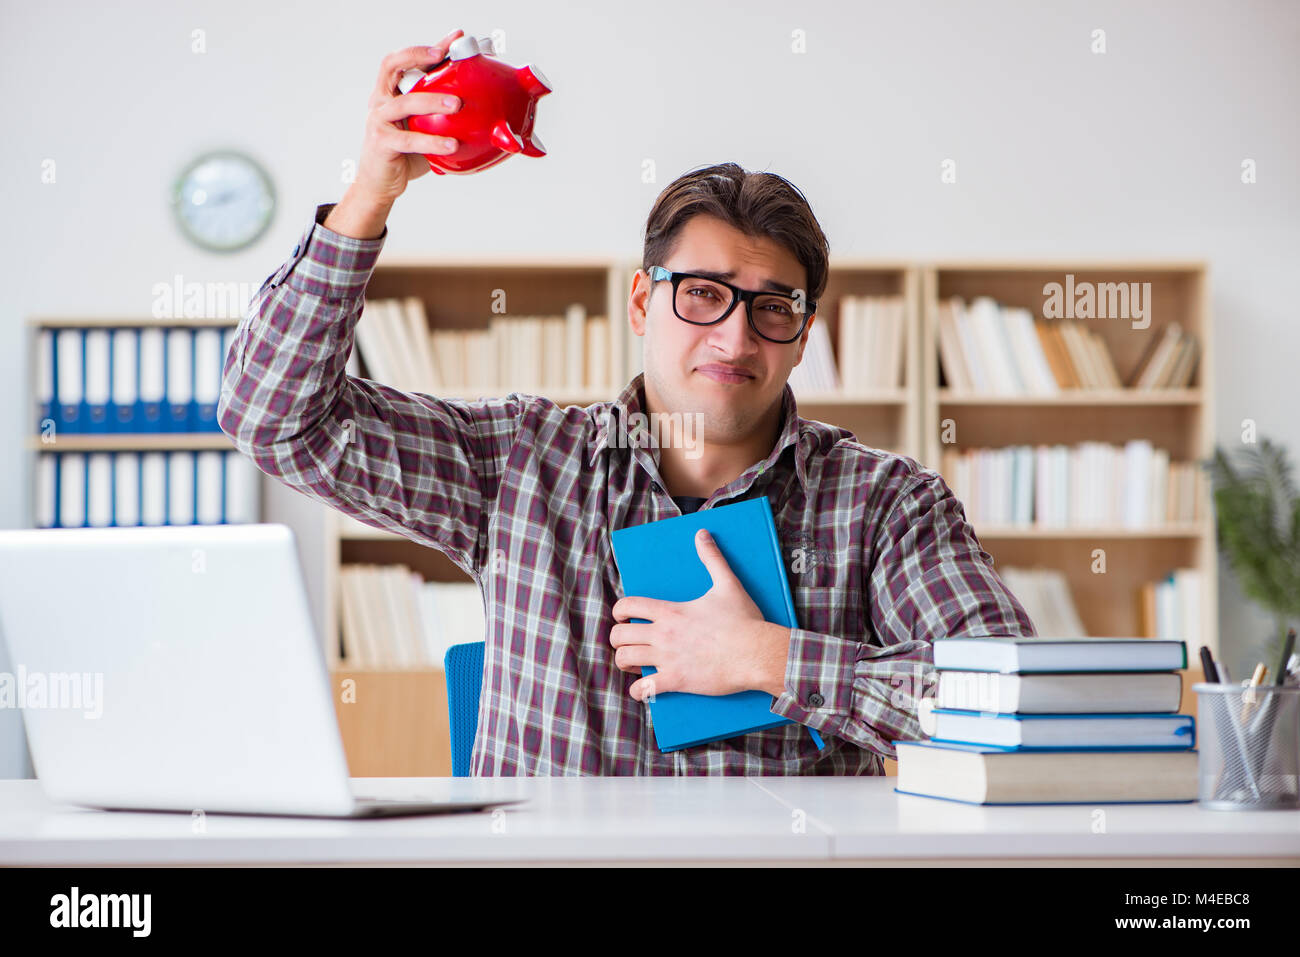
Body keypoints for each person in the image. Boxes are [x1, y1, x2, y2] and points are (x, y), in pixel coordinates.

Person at [218, 33, 1035, 775]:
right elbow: (274, 415)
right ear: (642, 302)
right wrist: (369, 195)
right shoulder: (520, 460)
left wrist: (773, 660)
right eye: (704, 294)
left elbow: (1019, 705)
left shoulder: (886, 502)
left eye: (772, 306)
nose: (735, 338)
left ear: (804, 330)